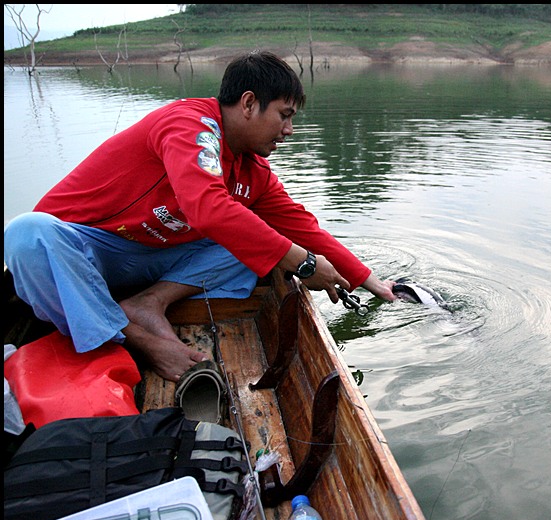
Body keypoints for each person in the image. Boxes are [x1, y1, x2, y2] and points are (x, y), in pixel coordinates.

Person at [4, 51, 396, 382]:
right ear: (248, 103)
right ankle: (137, 339)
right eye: (284, 115)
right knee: (26, 233)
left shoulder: (253, 172)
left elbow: (303, 229)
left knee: (258, 241)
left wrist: (371, 281)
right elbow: (207, 207)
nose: (289, 130)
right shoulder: (190, 125)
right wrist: (306, 265)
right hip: (89, 254)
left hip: (153, 262)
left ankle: (148, 303)